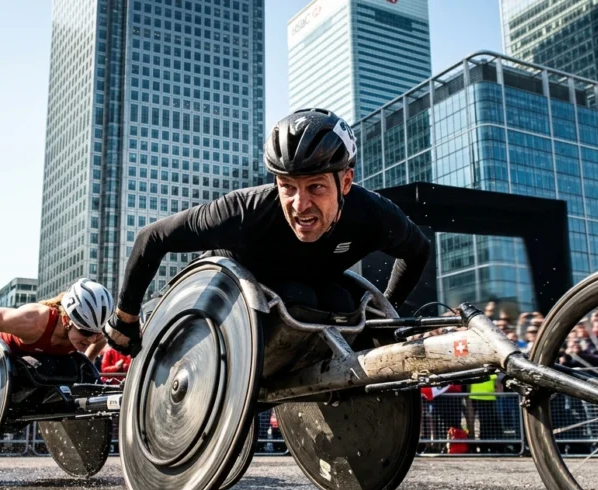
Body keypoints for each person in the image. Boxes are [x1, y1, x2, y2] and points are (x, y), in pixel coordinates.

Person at [104, 108, 430, 356]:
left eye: (315, 187)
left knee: (342, 303)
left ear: (345, 182)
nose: (300, 205)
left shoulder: (372, 214)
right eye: (287, 187)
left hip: (308, 291)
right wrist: (125, 318)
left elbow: (418, 250)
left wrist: (389, 310)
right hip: (227, 300)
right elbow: (153, 237)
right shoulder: (244, 212)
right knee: (302, 297)